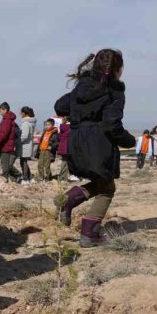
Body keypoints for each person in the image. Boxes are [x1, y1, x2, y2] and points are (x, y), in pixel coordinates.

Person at [54, 49, 135, 246]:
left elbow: (60, 106)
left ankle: (68, 201)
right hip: (98, 143)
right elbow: (111, 124)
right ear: (118, 68)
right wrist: (129, 141)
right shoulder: (114, 90)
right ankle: (89, 233)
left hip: (76, 141)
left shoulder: (83, 84)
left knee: (102, 183)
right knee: (107, 188)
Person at [0, 102, 18, 182]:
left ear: (5, 110)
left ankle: (6, 179)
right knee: (5, 163)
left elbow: (4, 134)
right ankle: (11, 178)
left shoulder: (6, 120)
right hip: (8, 144)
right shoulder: (9, 119)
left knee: (5, 164)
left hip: (5, 145)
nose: (0, 112)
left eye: (0, 110)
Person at [18, 107, 36, 184]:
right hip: (28, 145)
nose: (20, 114)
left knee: (23, 162)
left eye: (21, 113)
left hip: (24, 145)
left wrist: (18, 142)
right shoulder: (31, 122)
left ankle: (25, 179)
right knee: (24, 162)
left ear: (24, 113)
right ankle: (30, 178)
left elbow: (24, 136)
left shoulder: (25, 123)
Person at [57, 116, 72, 182]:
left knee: (64, 162)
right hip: (67, 147)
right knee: (65, 163)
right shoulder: (70, 128)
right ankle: (62, 177)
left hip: (62, 147)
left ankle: (63, 177)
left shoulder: (62, 127)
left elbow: (59, 137)